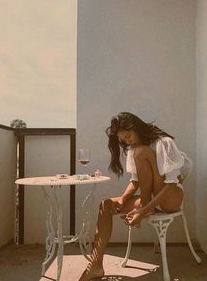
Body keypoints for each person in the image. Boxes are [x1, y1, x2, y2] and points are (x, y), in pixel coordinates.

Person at [79, 112, 188, 281]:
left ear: (136, 128)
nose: (128, 142)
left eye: (128, 136)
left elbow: (171, 184)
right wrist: (123, 199)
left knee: (140, 151)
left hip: (170, 197)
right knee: (105, 206)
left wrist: (143, 211)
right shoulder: (133, 149)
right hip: (149, 198)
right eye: (124, 140)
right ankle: (96, 265)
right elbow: (135, 181)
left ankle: (144, 207)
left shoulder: (162, 143)